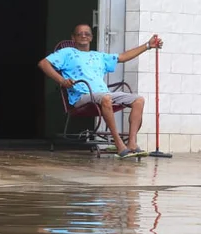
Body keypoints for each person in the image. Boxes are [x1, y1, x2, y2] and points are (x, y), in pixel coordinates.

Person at [38, 25, 162, 159]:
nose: (83, 36)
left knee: (138, 100)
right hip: (82, 96)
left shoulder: (98, 56)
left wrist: (148, 45)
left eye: (87, 33)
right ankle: (119, 145)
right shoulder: (67, 53)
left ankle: (132, 143)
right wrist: (62, 81)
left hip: (103, 94)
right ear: (73, 37)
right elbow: (43, 64)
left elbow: (123, 57)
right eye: (79, 34)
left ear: (91, 37)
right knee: (106, 98)